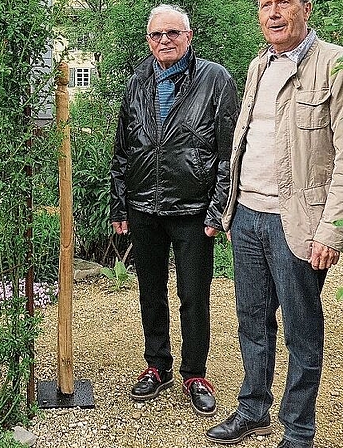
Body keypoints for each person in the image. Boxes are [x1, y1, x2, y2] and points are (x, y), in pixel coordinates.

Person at [206, 1, 343, 447]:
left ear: (306, 7)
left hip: (298, 223)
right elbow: (244, 139)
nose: (274, 12)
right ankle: (253, 409)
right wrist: (229, 208)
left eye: (284, 1)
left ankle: (299, 430)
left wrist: (331, 230)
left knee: (301, 330)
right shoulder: (257, 64)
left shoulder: (333, 64)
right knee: (252, 320)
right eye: (265, 4)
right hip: (246, 216)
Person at [109, 3, 238, 416]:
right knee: (151, 292)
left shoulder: (214, 79)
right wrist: (120, 203)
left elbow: (228, 151)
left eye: (172, 33)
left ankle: (195, 373)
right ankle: (157, 365)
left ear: (188, 36)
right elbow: (123, 149)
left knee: (193, 295)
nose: (164, 41)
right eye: (156, 36)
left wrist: (218, 209)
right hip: (144, 206)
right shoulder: (137, 82)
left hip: (194, 210)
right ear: (148, 41)